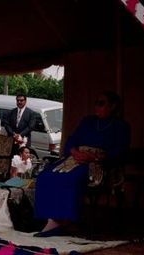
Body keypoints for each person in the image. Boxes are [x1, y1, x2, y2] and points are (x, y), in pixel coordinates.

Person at [33, 91, 130, 237]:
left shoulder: (120, 126)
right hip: (76, 158)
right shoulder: (88, 121)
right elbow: (72, 140)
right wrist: (74, 151)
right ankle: (50, 219)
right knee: (45, 175)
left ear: (113, 106)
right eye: (96, 103)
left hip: (96, 164)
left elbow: (120, 152)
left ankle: (60, 221)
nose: (97, 107)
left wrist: (95, 157)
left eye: (101, 103)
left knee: (70, 178)